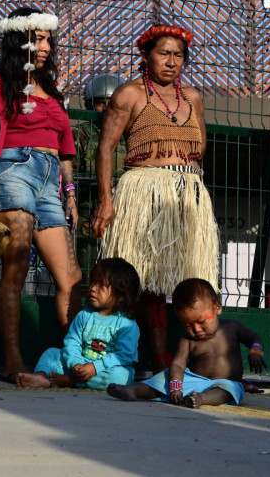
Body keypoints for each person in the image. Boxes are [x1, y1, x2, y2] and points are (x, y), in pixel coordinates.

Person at [91, 25, 218, 374]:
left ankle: (203, 361)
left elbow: (201, 148)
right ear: (146, 55)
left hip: (189, 193)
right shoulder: (129, 94)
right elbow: (106, 147)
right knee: (146, 276)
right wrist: (106, 200)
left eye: (178, 55)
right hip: (144, 189)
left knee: (189, 277)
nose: (171, 61)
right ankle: (159, 358)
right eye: (164, 53)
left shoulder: (192, 98)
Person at [0, 7, 83, 381]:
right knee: (16, 266)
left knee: (71, 277)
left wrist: (70, 193)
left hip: (51, 179)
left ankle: (77, 363)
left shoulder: (51, 90)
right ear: (17, 39)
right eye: (38, 38)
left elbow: (64, 148)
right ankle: (13, 361)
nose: (46, 45)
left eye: (48, 38)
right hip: (13, 169)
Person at [107, 278, 264, 407]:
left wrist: (255, 351)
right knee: (164, 378)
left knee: (229, 390)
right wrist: (176, 386)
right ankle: (134, 390)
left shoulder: (232, 327)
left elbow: (253, 338)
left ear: (217, 307)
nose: (196, 329)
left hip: (225, 382)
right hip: (193, 380)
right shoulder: (187, 340)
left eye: (202, 321)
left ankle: (200, 399)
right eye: (188, 325)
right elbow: (178, 365)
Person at [15, 258, 141, 390]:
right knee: (51, 353)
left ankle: (71, 382)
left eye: (101, 285)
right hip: (78, 365)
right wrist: (76, 363)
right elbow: (72, 342)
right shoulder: (84, 315)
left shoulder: (127, 324)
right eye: (92, 282)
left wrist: (94, 367)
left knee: (121, 376)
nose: (92, 288)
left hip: (105, 370)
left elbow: (124, 356)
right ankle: (41, 377)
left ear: (120, 295)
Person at [72, 73, 124, 234]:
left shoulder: (128, 134)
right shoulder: (82, 133)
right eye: (102, 103)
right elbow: (71, 172)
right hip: (87, 208)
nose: (107, 108)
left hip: (122, 208)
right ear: (90, 104)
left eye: (112, 103)